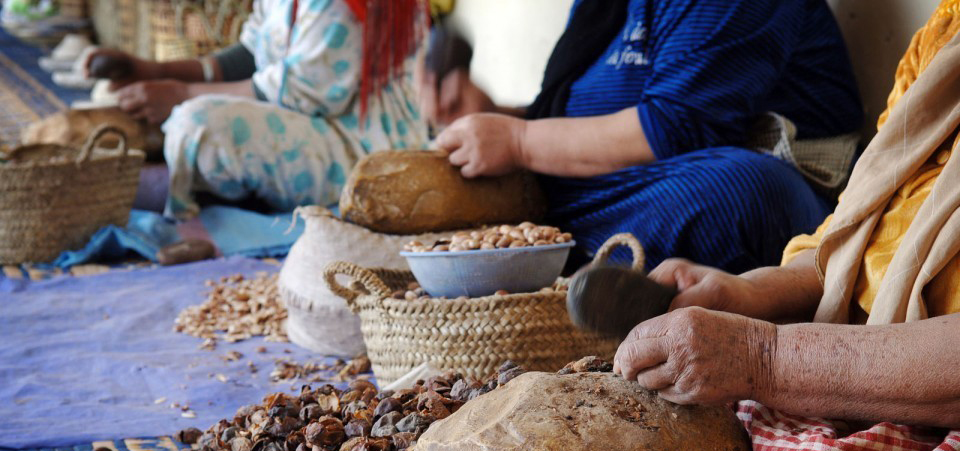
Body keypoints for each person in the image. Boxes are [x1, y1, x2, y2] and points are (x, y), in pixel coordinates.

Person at [610, 0, 960, 451]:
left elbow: (670, 124)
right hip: (860, 368)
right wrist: (748, 291)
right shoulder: (944, 36)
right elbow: (849, 241)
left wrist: (763, 357)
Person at [421, 0, 863, 273]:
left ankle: (562, 269)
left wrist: (518, 142)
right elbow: (581, 112)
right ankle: (562, 266)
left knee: (746, 190)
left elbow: (675, 128)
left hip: (728, 187)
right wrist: (493, 115)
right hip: (607, 192)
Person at [87, 0, 429, 219]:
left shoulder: (340, 5)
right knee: (187, 117)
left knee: (198, 123)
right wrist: (158, 71)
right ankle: (237, 196)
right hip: (312, 117)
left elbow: (299, 90)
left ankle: (231, 207)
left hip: (366, 151)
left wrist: (181, 94)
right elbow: (253, 52)